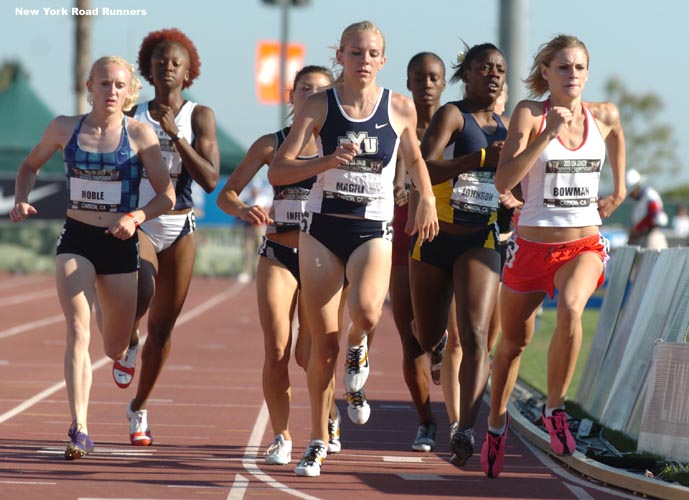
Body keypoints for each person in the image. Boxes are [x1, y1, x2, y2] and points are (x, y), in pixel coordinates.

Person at [269, 20, 439, 477]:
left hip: (371, 230)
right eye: (355, 53)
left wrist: (425, 201)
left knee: (365, 313)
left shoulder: (399, 108)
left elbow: (417, 161)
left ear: (383, 60)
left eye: (372, 54)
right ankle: (318, 440)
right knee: (321, 347)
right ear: (340, 56)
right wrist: (325, 161)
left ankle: (359, 347)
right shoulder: (319, 105)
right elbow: (279, 172)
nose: (364, 62)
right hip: (322, 229)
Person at [10, 55, 175, 459]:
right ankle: (80, 426)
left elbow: (167, 195)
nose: (111, 92)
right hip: (77, 239)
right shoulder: (64, 127)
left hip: (119, 243)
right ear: (90, 86)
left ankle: (117, 333)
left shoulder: (139, 136)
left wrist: (136, 217)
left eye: (119, 85)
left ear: (129, 91)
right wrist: (20, 198)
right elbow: (29, 167)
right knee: (78, 331)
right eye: (104, 84)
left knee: (113, 348)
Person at [481, 34, 626, 478]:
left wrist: (618, 190)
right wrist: (546, 135)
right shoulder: (530, 112)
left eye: (579, 67)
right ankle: (495, 424)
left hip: (582, 244)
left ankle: (556, 408)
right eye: (563, 67)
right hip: (531, 247)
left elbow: (617, 133)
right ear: (546, 72)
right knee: (511, 346)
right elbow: (503, 181)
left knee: (570, 307)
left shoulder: (602, 114)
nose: (573, 75)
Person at [216, 65, 344, 465]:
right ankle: (281, 435)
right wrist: (244, 209)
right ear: (292, 97)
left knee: (311, 354)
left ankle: (329, 415)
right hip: (279, 253)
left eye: (320, 91)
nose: (311, 96)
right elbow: (226, 194)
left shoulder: (340, 149)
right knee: (276, 349)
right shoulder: (272, 144)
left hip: (322, 257)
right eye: (304, 90)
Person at [111, 28, 220, 446]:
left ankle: (138, 409)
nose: (168, 67)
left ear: (189, 70)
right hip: (140, 220)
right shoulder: (130, 113)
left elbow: (210, 179)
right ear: (148, 68)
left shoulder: (199, 117)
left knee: (165, 329)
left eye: (176, 62)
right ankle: (128, 338)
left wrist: (174, 133)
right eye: (160, 61)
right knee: (142, 288)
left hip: (180, 225)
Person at [412, 42, 515, 468]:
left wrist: (514, 198)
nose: (492, 75)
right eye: (483, 68)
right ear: (467, 75)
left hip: (480, 238)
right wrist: (477, 159)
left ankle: (465, 430)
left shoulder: (510, 127)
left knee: (473, 335)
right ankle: (436, 355)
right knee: (428, 336)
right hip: (436, 236)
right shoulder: (454, 114)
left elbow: (520, 181)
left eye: (499, 69)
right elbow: (424, 164)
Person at [389, 52, 446, 453]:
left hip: (449, 235)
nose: (426, 84)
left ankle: (461, 420)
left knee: (452, 337)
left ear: (443, 84)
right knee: (409, 338)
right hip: (402, 234)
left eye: (433, 78)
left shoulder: (456, 124)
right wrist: (396, 185)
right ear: (408, 82)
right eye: (419, 78)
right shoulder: (394, 122)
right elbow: (394, 170)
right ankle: (426, 421)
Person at [626, 168, 668, 249]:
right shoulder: (641, 200)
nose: (630, 196)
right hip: (644, 236)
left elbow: (654, 216)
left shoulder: (650, 196)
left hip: (653, 235)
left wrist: (638, 228)